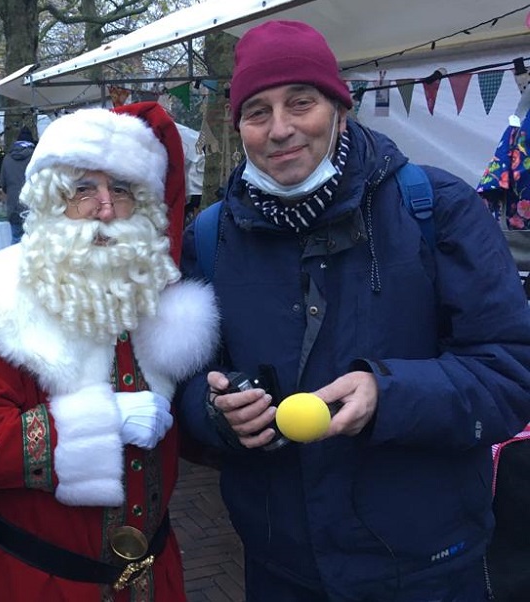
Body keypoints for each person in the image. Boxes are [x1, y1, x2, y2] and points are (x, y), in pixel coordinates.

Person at [176, 20, 530, 602]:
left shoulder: (438, 210)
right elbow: (186, 379)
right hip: (280, 562)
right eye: (257, 111)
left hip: (426, 566)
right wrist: (216, 410)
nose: (280, 129)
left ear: (341, 107)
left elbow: (510, 376)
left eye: (301, 102)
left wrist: (388, 394)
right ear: (238, 127)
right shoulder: (212, 237)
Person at [0, 103, 220, 601]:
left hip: (152, 578)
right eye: (83, 189)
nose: (106, 207)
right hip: (35, 583)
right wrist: (102, 421)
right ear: (52, 201)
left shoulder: (162, 294)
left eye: (123, 190)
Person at [0, 126, 35, 242]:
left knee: (15, 240)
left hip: (13, 207)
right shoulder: (35, 158)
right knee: (34, 241)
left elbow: (2, 185)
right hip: (33, 207)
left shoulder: (7, 159)